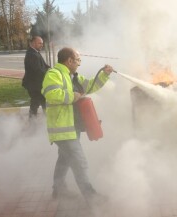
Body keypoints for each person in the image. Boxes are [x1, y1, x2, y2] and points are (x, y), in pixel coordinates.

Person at [41, 47, 113, 204]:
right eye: (78, 60)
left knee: (64, 159)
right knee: (79, 161)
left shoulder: (72, 76)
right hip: (62, 129)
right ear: (69, 61)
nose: (79, 63)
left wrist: (105, 74)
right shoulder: (54, 74)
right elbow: (51, 94)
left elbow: (90, 85)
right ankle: (91, 197)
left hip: (71, 127)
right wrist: (73, 96)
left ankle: (59, 189)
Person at [22, 36, 50, 118]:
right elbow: (38, 70)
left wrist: (52, 70)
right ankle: (42, 121)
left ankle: (35, 121)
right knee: (38, 103)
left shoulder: (35, 52)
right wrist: (50, 74)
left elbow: (44, 65)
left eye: (42, 43)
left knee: (37, 103)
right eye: (40, 43)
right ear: (33, 43)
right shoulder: (31, 54)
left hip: (36, 85)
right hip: (34, 85)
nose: (42, 45)